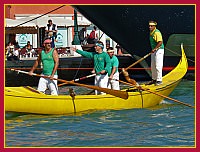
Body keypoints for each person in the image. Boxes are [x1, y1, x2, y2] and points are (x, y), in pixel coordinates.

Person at [146, 20, 164, 86]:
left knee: (158, 66)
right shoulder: (151, 32)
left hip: (159, 50)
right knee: (153, 65)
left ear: (154, 26)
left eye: (151, 26)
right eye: (149, 26)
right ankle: (154, 79)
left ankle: (159, 80)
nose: (150, 27)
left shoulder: (157, 33)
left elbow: (160, 42)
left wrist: (155, 49)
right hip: (154, 50)